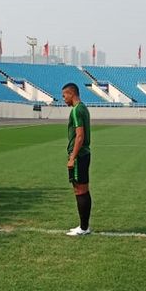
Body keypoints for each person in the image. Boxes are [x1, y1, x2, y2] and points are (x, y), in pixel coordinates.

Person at [62, 82, 91, 236]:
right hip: (84, 154)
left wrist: (72, 157)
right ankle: (84, 226)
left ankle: (84, 228)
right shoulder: (83, 108)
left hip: (79, 155)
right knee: (82, 189)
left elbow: (80, 136)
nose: (64, 99)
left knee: (80, 190)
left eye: (64, 95)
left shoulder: (76, 110)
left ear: (71, 93)